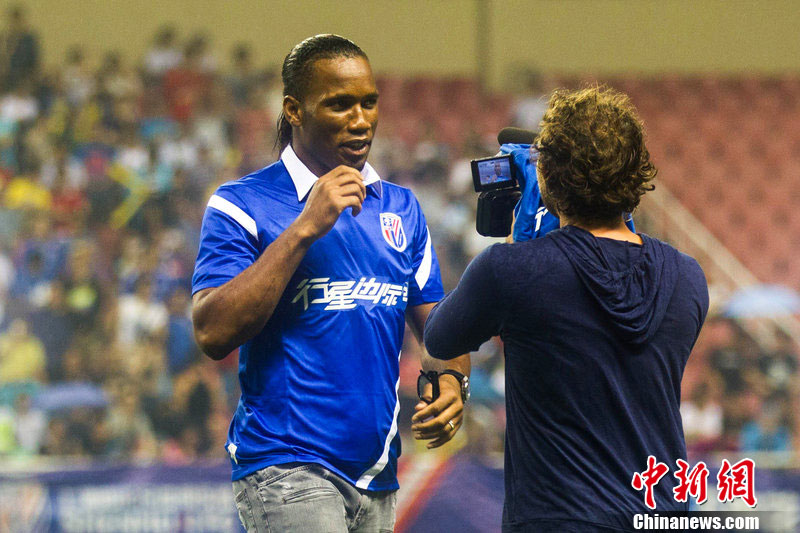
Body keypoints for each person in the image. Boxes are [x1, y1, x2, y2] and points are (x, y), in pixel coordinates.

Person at [191, 34, 469, 532]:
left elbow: (441, 329)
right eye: (339, 104)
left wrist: (451, 381)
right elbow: (212, 332)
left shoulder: (402, 207)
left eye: (369, 102)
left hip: (378, 475)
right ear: (294, 110)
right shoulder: (241, 204)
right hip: (287, 468)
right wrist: (304, 228)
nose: (360, 120)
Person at [424, 86, 708, 532]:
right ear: (636, 174)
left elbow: (440, 337)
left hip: (557, 518)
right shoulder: (687, 277)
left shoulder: (511, 270)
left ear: (550, 177)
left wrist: (519, 239)